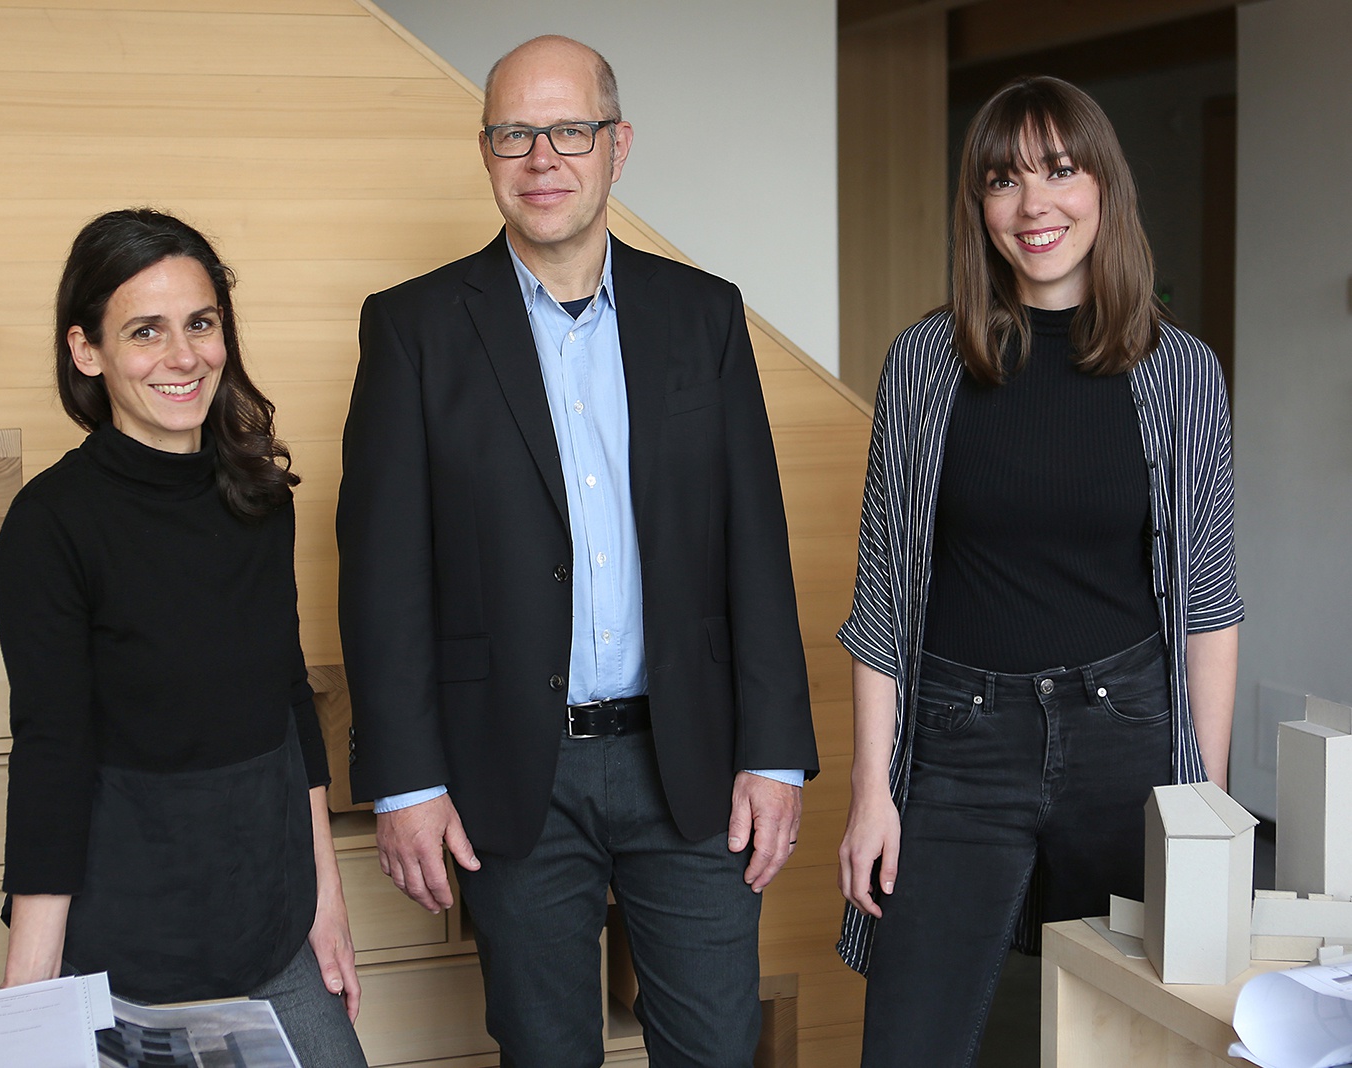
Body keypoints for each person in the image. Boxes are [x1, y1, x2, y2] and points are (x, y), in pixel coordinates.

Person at [337, 35, 818, 1068]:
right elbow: (382, 576)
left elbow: (756, 544)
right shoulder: (413, 329)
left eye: (569, 131)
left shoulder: (705, 315)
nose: (542, 158)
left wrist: (775, 753)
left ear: (617, 145)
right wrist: (406, 781)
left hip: (691, 761)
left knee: (717, 1049)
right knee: (544, 1052)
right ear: (486, 151)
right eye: (515, 133)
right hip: (511, 768)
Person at [836, 75, 1243, 1065]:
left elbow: (1209, 603)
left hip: (1128, 739)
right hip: (958, 744)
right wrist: (871, 792)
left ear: (1104, 187)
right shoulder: (925, 363)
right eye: (1003, 179)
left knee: (1137, 1041)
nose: (1034, 205)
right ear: (978, 205)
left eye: (1060, 171)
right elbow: (883, 595)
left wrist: (1204, 804)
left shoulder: (1182, 372)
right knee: (908, 1045)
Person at [0, 208, 368, 1068]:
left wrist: (326, 900)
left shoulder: (258, 496)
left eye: (200, 324)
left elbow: (290, 704)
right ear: (87, 350)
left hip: (270, 925)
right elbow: (51, 755)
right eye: (145, 331)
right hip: (124, 946)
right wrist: (28, 992)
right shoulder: (51, 524)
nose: (183, 356)